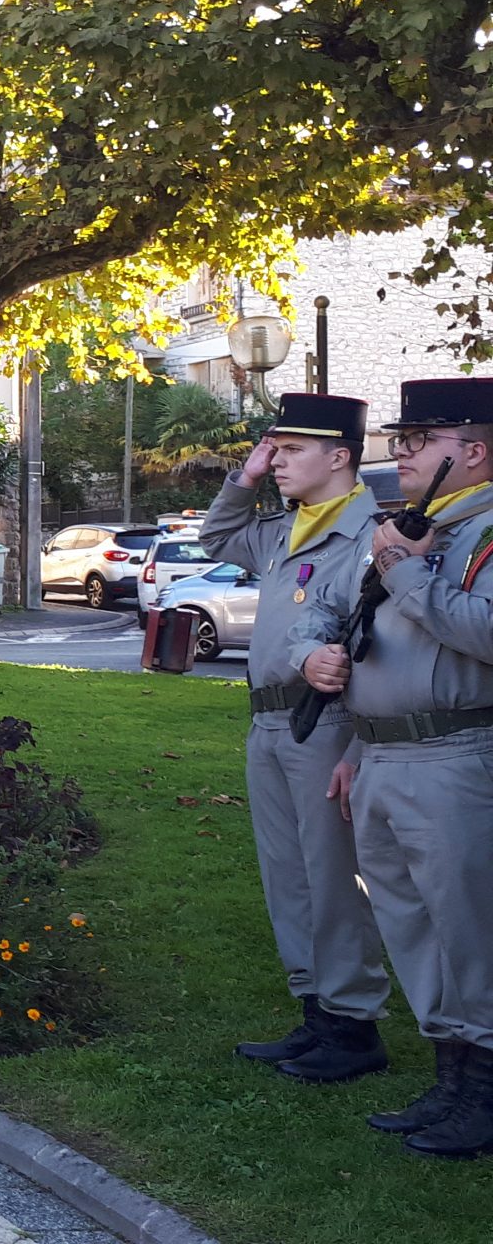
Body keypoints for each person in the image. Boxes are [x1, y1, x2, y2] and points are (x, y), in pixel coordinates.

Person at [295, 378, 493, 1160]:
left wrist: (409, 574)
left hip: (455, 756)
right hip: (382, 753)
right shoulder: (408, 529)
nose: (401, 454)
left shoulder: (477, 534)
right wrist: (354, 742)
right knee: (412, 925)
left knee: (469, 928)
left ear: (473, 451)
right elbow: (364, 638)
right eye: (401, 440)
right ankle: (452, 1076)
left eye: (419, 441)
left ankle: (485, 1091)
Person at [198, 394, 392, 1082]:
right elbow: (216, 539)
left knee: (333, 877)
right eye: (274, 449)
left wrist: (360, 746)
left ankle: (354, 1022)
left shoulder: (373, 536)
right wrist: (243, 477)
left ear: (340, 457)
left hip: (328, 722)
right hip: (269, 722)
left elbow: (380, 647)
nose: (276, 461)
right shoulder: (285, 527)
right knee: (288, 875)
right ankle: (316, 1010)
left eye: (292, 450)